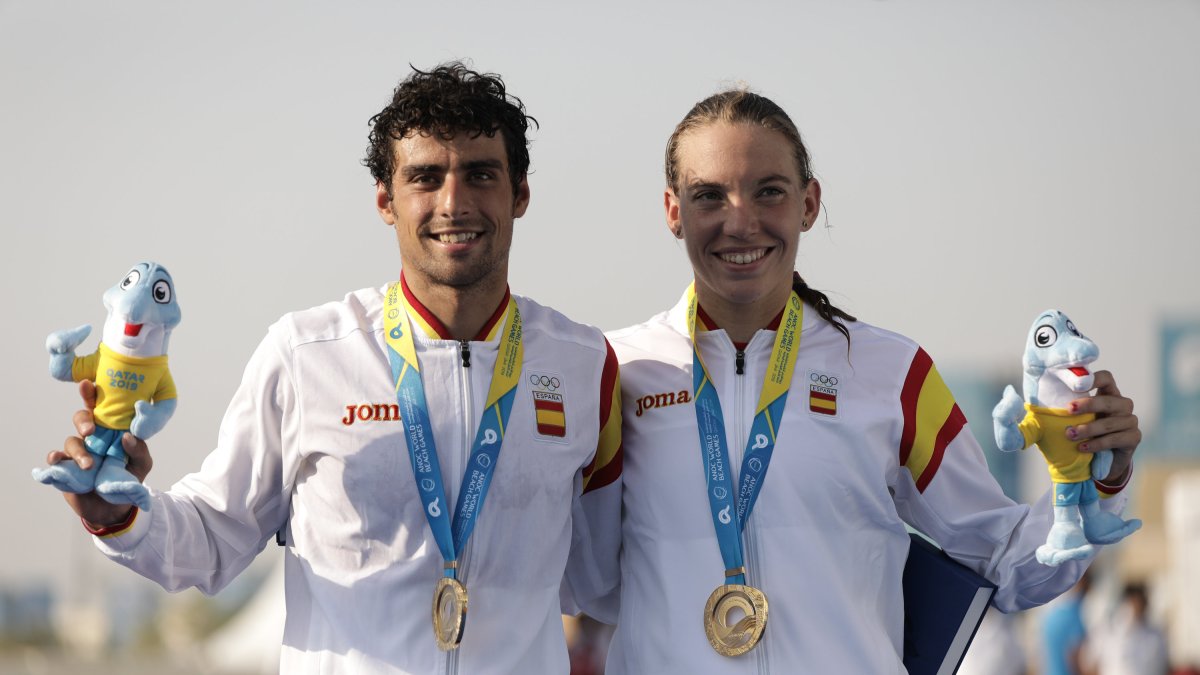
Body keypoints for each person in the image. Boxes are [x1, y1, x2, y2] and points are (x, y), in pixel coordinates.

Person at [40, 62, 623, 674]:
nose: (454, 202)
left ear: (520, 193)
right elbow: (214, 534)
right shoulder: (307, 355)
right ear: (385, 201)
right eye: (425, 178)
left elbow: (602, 575)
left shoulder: (584, 364)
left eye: (480, 174)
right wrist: (121, 518)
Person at [598, 89, 1142, 673]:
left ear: (809, 203)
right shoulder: (614, 372)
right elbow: (582, 576)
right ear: (673, 209)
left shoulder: (892, 373)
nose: (740, 220)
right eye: (709, 195)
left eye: (769, 191)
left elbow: (1006, 561)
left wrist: (1088, 477)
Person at [1087, 581, 1169, 675]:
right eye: (1134, 601)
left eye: (1141, 602)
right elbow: (1090, 664)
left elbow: (1163, 666)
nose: (1137, 607)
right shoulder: (1107, 630)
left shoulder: (1155, 635)